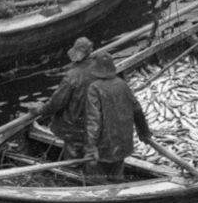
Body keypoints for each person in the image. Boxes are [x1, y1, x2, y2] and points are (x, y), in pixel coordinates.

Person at [82, 52, 153, 182]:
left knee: (95, 176)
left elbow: (94, 119)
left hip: (104, 143)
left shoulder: (94, 88)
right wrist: (144, 132)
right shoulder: (122, 84)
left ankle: (99, 192)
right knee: (117, 171)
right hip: (123, 140)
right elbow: (137, 109)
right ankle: (118, 187)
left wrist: (91, 147)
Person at [34, 38, 98, 159]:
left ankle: (72, 168)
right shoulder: (99, 68)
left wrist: (39, 110)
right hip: (96, 122)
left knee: (73, 150)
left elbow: (55, 104)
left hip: (75, 127)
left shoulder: (71, 77)